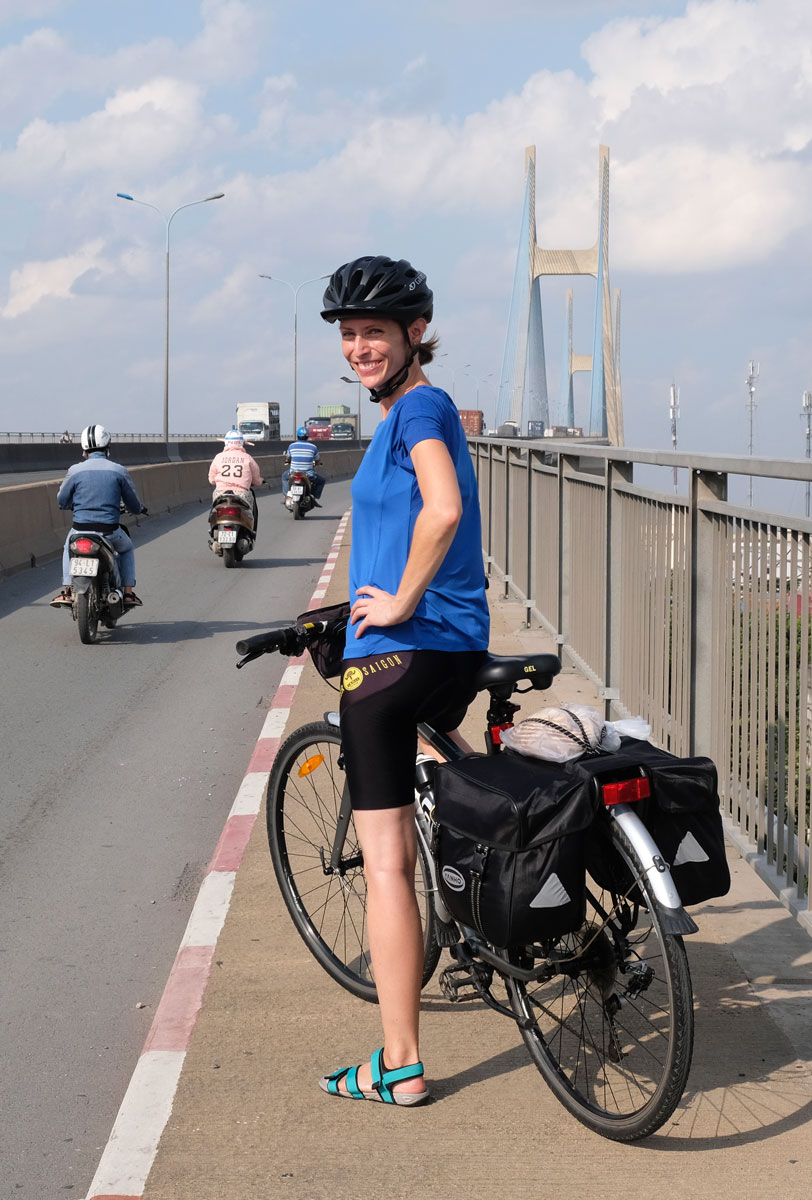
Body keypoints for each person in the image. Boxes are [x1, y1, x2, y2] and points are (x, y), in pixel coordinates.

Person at [315, 255, 488, 1108]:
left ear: (416, 332)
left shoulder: (417, 406)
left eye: (374, 333)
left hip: (400, 654)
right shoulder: (408, 411)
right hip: (454, 646)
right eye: (349, 335)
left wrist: (399, 602)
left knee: (384, 865)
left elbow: (444, 508)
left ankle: (399, 1063)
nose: (359, 348)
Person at [52, 424, 146, 609]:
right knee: (126, 548)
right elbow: (133, 505)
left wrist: (74, 505)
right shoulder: (118, 470)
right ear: (107, 446)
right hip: (109, 531)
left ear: (84, 449)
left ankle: (68, 589)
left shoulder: (75, 471)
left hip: (80, 530)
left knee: (67, 546)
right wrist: (139, 509)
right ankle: (127, 593)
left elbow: (62, 501)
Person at [209, 429, 262, 518]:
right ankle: (252, 529)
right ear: (241, 443)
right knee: (251, 510)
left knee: (215, 509)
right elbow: (257, 479)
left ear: (226, 443)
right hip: (241, 494)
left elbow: (211, 480)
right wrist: (260, 481)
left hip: (221, 494)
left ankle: (211, 524)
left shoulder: (218, 457)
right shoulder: (247, 458)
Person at [281, 430, 325, 505]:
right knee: (321, 481)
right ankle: (314, 496)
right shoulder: (313, 447)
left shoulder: (292, 446)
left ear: (297, 436)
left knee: (284, 477)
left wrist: (287, 461)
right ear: (307, 437)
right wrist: (316, 464)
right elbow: (317, 460)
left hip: (293, 472)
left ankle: (286, 495)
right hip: (308, 474)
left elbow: (288, 458)